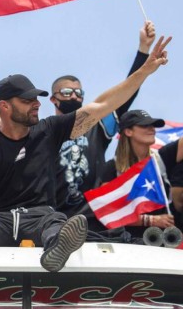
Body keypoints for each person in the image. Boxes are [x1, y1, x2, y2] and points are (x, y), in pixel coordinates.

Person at [0, 35, 170, 272]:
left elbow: (103, 106)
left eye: (37, 98)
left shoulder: (49, 130)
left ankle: (57, 249)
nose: (37, 103)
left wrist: (144, 71)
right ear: (4, 106)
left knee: (56, 221)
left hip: (40, 219)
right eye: (27, 100)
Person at [52, 21, 156, 232]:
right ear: (53, 99)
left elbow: (123, 97)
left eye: (79, 93)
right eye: (66, 92)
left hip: (92, 213)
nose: (74, 95)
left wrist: (143, 51)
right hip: (51, 213)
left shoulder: (97, 127)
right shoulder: (45, 131)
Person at [102, 109, 183, 240]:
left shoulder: (161, 159)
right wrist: (150, 220)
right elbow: (107, 212)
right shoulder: (111, 168)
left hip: (166, 244)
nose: (152, 129)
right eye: (145, 125)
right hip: (127, 244)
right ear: (128, 131)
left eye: (153, 125)